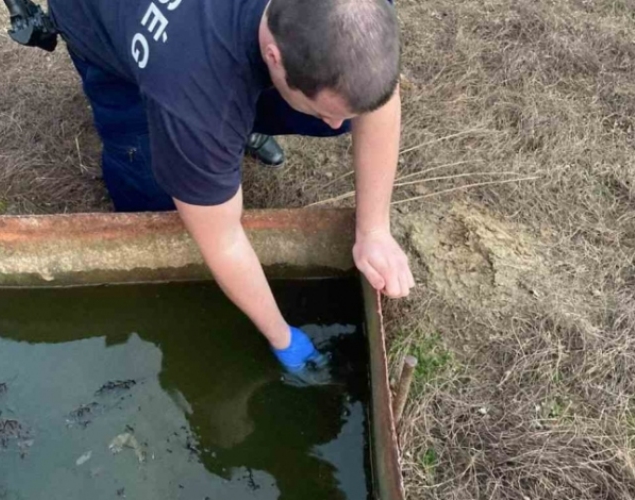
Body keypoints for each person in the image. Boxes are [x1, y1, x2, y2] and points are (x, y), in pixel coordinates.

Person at [47, 0, 415, 382]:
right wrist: (282, 336)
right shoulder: (188, 94)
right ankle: (202, 140)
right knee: (157, 203)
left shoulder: (351, 13)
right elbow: (221, 240)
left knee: (342, 107)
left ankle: (235, 129)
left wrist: (374, 231)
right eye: (325, 109)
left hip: (212, 59)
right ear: (273, 55)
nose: (338, 123)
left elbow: (379, 97)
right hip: (100, 19)